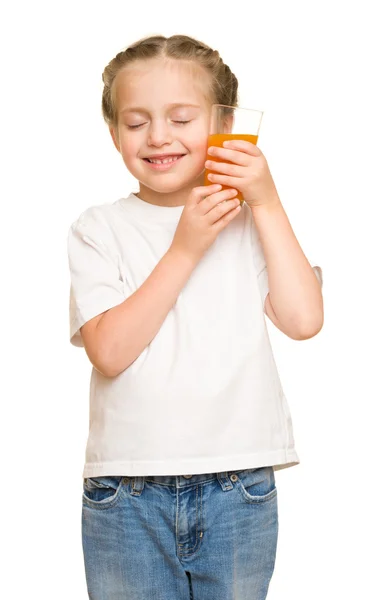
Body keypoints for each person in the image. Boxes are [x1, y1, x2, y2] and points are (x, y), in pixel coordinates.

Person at [67, 34, 323, 600]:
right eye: (136, 123)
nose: (158, 136)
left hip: (240, 488)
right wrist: (183, 249)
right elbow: (110, 351)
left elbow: (304, 319)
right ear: (114, 135)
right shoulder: (98, 228)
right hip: (125, 494)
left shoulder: (249, 220)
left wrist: (267, 201)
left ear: (224, 126)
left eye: (181, 118)